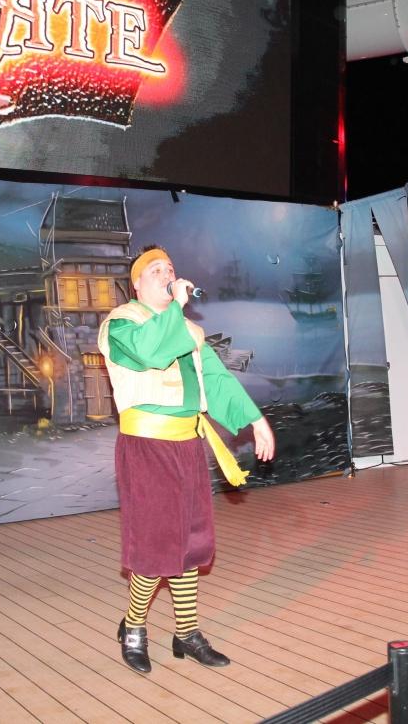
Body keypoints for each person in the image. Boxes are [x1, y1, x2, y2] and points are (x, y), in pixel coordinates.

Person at [98, 245, 276, 674]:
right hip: (147, 446)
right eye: (156, 270)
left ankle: (187, 632)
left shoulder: (191, 332)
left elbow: (216, 380)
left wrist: (255, 420)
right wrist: (176, 306)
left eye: (170, 269)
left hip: (188, 444)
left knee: (191, 542)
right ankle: (134, 626)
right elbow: (152, 351)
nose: (167, 275)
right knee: (156, 543)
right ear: (136, 284)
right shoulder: (121, 324)